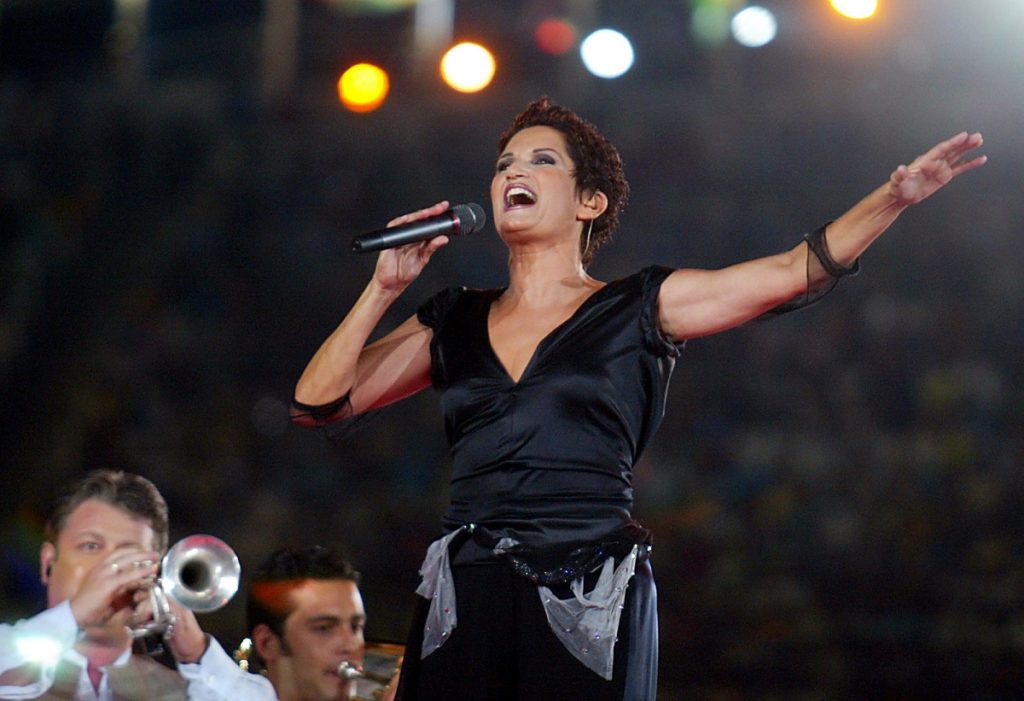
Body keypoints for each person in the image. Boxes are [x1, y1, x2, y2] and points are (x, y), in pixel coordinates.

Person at [289, 97, 986, 700]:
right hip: (467, 584)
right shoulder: (453, 317)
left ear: (589, 202)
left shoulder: (638, 306)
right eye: (503, 165)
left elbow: (789, 272)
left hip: (588, 586)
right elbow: (317, 402)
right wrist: (383, 287)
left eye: (541, 161)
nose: (512, 174)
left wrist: (892, 198)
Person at [0, 469, 246, 700]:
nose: (111, 568)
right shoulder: (9, 653)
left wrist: (198, 654)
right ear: (47, 563)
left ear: (154, 574)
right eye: (91, 546)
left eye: (129, 554)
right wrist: (74, 616)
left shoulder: (188, 691)